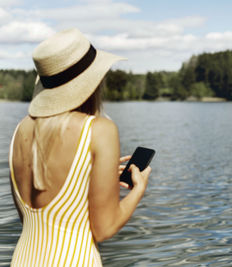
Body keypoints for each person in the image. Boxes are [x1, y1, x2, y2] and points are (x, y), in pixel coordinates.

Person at [8, 28, 151, 266]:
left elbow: (37, 218)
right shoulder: (100, 130)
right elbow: (104, 229)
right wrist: (138, 189)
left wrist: (91, 178)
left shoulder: (20, 130)